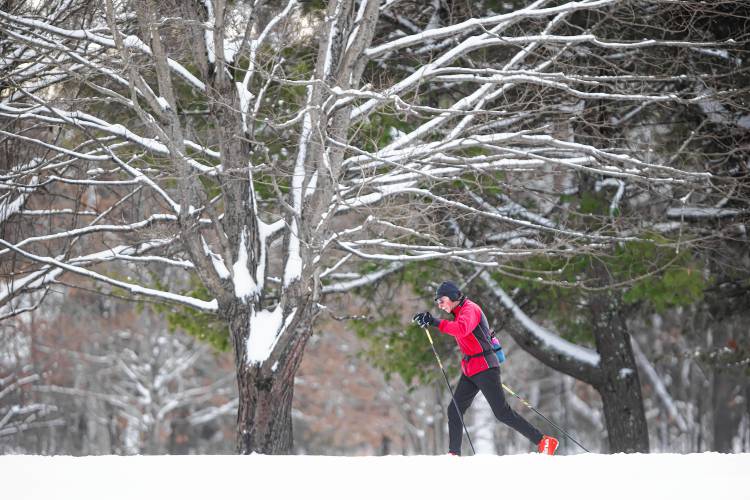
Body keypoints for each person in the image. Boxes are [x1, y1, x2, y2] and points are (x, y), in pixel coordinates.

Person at [413, 280, 559, 456]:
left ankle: (544, 441)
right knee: (455, 409)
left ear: (453, 296)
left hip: (485, 368)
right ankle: (453, 455)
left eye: (441, 300)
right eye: (437, 302)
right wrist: (430, 321)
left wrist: (435, 322)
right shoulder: (459, 312)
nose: (440, 305)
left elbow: (461, 329)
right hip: (471, 369)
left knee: (501, 412)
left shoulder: (470, 309)